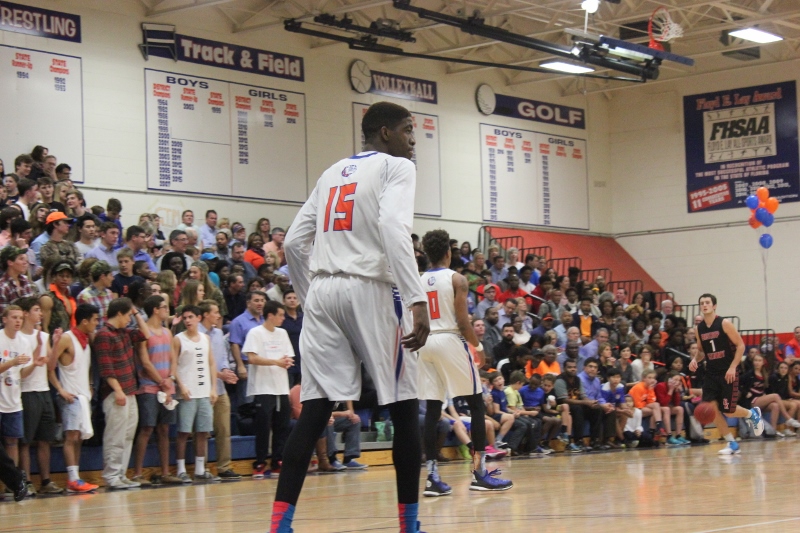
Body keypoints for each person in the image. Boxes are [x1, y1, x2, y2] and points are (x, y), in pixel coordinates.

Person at [275, 102, 430, 533]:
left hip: (323, 290)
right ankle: (409, 525)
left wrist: (311, 298)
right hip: (371, 289)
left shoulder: (330, 173)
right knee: (404, 407)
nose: (413, 140)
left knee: (314, 412)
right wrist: (417, 298)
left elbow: (292, 243)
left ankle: (279, 525)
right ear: (385, 132)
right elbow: (394, 229)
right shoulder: (397, 167)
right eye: (408, 130)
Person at [417, 230, 511, 497]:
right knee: (476, 404)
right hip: (449, 339)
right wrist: (478, 348)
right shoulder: (456, 279)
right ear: (449, 252)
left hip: (424, 342)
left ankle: (432, 478)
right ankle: (480, 474)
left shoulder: (417, 279)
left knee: (433, 408)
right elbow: (462, 321)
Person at [690, 293, 763, 455]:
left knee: (728, 411)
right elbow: (701, 351)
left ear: (714, 306)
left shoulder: (724, 323)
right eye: (702, 303)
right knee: (712, 409)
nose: (704, 305)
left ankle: (752, 414)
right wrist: (695, 359)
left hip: (728, 372)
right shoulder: (699, 329)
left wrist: (733, 367)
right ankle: (731, 443)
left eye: (707, 302)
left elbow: (741, 346)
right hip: (711, 373)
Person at [94, 298, 147, 489]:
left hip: (130, 389)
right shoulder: (103, 335)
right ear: (119, 314)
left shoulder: (125, 332)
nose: (129, 320)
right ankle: (111, 475)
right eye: (127, 315)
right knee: (115, 436)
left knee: (128, 435)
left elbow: (145, 334)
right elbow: (106, 368)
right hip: (115, 392)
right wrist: (117, 390)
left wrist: (136, 313)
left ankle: (121, 473)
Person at [130, 296, 182, 486]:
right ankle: (137, 473)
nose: (167, 310)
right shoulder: (143, 333)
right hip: (149, 386)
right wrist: (161, 381)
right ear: (155, 310)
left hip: (167, 387)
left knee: (164, 429)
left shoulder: (168, 332)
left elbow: (173, 359)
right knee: (147, 428)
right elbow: (145, 361)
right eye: (164, 307)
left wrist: (171, 379)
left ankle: (165, 472)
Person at [48, 303, 100, 493]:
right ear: (84, 321)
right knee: (71, 436)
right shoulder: (66, 338)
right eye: (95, 320)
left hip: (83, 395)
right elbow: (50, 366)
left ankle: (75, 478)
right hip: (71, 395)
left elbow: (86, 367)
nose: (97, 323)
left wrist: (91, 385)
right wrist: (60, 390)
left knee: (79, 438)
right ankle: (72, 479)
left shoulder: (86, 339)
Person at [242, 300, 294, 478]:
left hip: (281, 387)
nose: (283, 318)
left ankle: (278, 461)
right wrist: (276, 362)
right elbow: (251, 358)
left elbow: (288, 356)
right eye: (280, 315)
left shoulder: (283, 333)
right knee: (263, 428)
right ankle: (260, 462)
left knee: (282, 426)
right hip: (263, 388)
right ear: (270, 315)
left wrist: (287, 361)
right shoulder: (255, 333)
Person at [17, 297, 63, 495]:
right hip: (26, 392)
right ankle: (26, 481)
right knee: (26, 441)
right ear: (26, 313)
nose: (40, 313)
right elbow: (21, 373)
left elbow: (51, 366)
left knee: (45, 439)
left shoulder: (43, 336)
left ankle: (45, 481)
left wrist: (56, 343)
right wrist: (35, 358)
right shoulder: (18, 338)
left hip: (44, 391)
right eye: (36, 309)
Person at [172, 305, 219, 483]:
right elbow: (173, 366)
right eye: (185, 318)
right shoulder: (178, 339)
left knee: (203, 431)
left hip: (204, 392)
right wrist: (181, 386)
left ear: (199, 318)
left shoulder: (206, 338)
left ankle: (200, 469)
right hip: (187, 393)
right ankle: (181, 469)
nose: (187, 320)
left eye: (191, 317)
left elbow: (211, 363)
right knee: (184, 432)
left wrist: (213, 388)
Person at [197, 299, 240, 481]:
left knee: (223, 429)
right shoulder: (195, 333)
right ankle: (202, 467)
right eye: (215, 312)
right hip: (201, 388)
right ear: (206, 314)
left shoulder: (219, 333)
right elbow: (199, 364)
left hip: (219, 388)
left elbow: (222, 358)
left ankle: (224, 466)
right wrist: (220, 375)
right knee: (203, 431)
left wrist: (226, 372)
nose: (219, 315)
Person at [0, 306, 37, 482]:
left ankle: (12, 483)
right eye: (14, 317)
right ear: (4, 319)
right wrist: (12, 362)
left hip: (14, 400)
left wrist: (34, 364)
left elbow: (21, 373)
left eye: (21, 318)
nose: (18, 321)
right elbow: (11, 365)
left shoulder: (24, 342)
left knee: (12, 442)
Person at [77, 260, 114, 330]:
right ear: (103, 276)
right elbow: (84, 325)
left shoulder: (109, 294)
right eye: (110, 275)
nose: (113, 278)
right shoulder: (84, 296)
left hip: (109, 334)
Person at [0, 246, 37, 314]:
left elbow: (33, 307)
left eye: (25, 259)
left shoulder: (25, 280)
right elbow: (3, 316)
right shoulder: (2, 287)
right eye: (21, 259)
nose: (25, 262)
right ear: (10, 262)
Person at [282, 290, 304, 388]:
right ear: (283, 301)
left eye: (295, 298)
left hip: (303, 359)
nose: (292, 300)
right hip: (288, 360)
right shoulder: (281, 318)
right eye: (289, 298)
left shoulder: (304, 317)